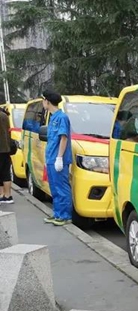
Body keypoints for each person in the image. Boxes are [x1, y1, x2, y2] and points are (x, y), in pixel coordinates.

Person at [42, 89, 73, 226]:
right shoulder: (52, 117)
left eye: (43, 100)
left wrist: (59, 158)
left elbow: (63, 138)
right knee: (54, 188)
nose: (43, 103)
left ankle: (65, 216)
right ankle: (57, 213)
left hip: (58, 159)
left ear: (47, 102)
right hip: (51, 159)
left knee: (62, 188)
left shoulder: (62, 117)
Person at [0, 107, 13, 204]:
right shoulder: (4, 115)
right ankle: (7, 195)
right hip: (6, 148)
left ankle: (3, 194)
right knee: (5, 173)